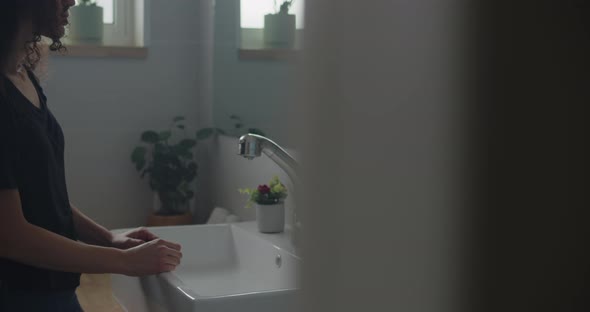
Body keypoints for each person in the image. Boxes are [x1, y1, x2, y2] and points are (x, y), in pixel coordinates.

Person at [0, 0, 183, 310]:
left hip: (53, 289)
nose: (71, 1)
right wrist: (123, 261)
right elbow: (10, 234)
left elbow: (42, 196)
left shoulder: (22, 77)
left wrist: (108, 238)